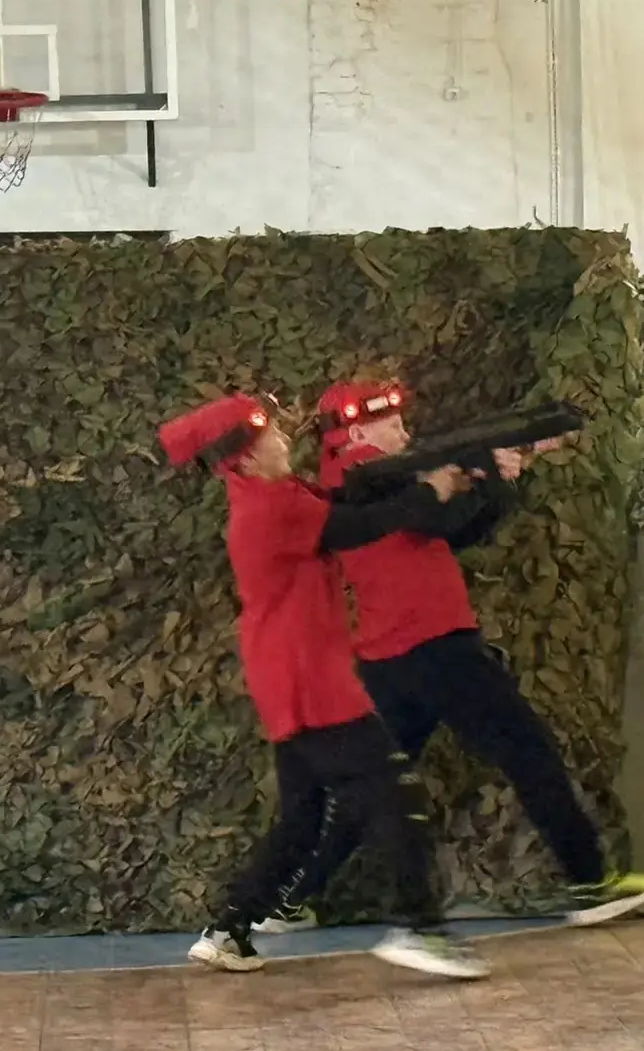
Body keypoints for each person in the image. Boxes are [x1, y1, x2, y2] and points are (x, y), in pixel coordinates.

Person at [252, 381, 644, 938]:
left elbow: (462, 531)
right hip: (434, 647)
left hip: (393, 657)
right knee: (528, 752)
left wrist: (500, 473)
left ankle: (291, 899)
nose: (405, 434)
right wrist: (486, 471)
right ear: (355, 432)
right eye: (392, 425)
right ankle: (589, 881)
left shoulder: (365, 479)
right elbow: (438, 519)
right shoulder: (367, 477)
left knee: (369, 791)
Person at [157, 392, 489, 980]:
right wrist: (430, 491)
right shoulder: (270, 510)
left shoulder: (278, 496)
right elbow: (357, 526)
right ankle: (420, 928)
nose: (286, 440)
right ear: (245, 459)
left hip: (290, 677)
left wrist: (430, 478)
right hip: (311, 680)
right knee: (399, 795)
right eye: (271, 437)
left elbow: (346, 499)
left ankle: (230, 930)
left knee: (302, 820)